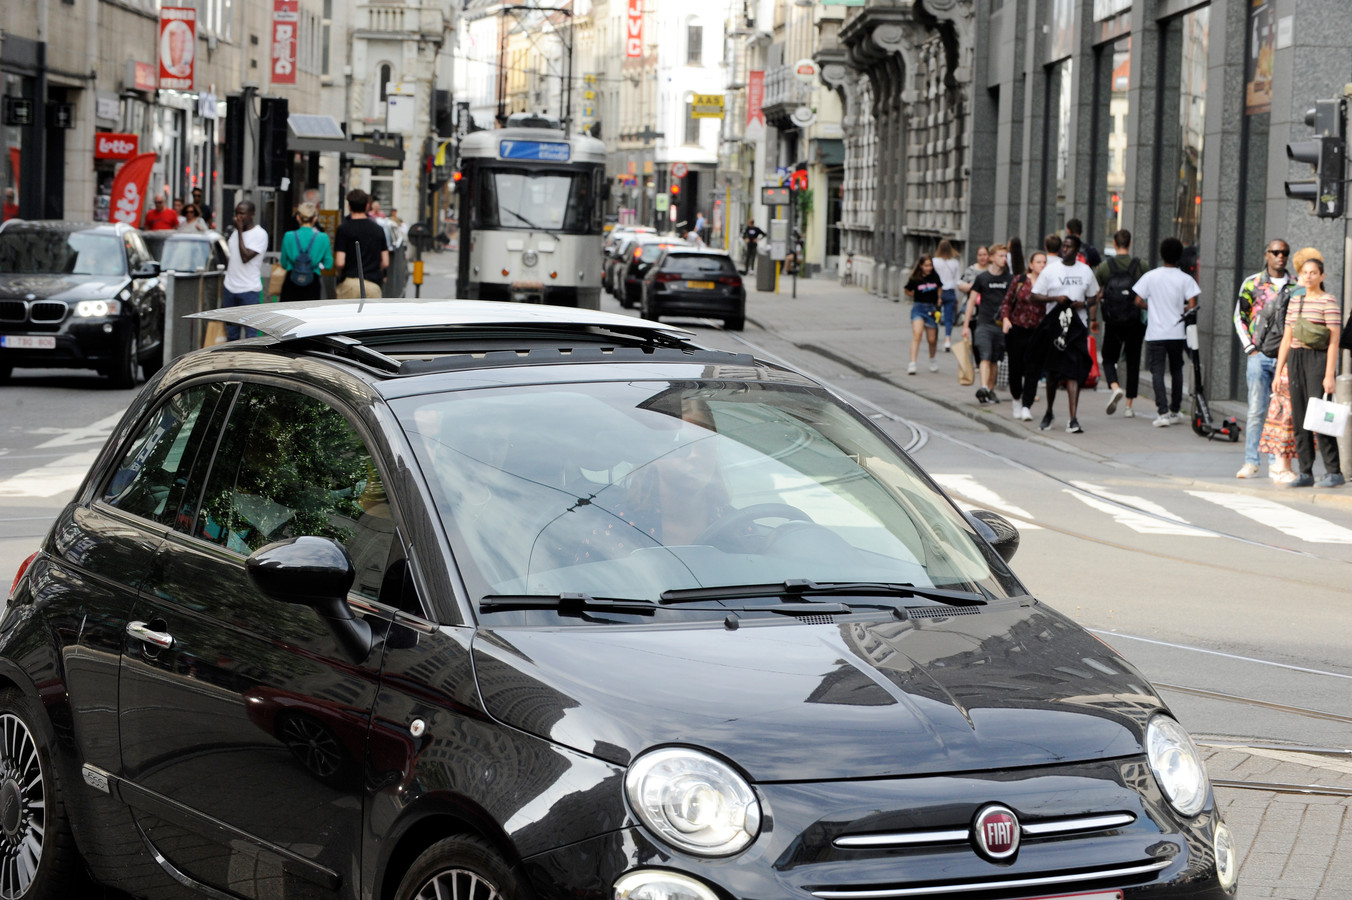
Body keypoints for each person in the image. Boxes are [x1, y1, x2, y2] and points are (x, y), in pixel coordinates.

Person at [1275, 252, 1343, 487]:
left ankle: (1334, 471)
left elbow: (1334, 341)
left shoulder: (1328, 301)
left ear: (1322, 276)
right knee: (1300, 416)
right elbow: (1287, 338)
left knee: (1320, 415)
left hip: (1318, 359)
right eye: (1305, 273)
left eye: (1313, 273)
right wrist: (1279, 371)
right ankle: (1305, 472)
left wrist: (1329, 375)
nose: (1309, 276)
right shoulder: (1296, 301)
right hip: (1296, 358)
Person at [1233, 239, 1294, 478]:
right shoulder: (1253, 283)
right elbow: (1240, 316)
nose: (1280, 256)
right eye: (1276, 252)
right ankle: (1251, 461)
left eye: (1285, 252)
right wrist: (1250, 348)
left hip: (1285, 358)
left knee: (1280, 412)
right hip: (1259, 356)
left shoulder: (1295, 285)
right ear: (1266, 254)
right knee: (1256, 410)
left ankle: (1275, 462)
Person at [1030, 234, 1099, 433]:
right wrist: (1055, 299)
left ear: (1077, 250)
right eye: (1064, 246)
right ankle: (1049, 412)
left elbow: (1094, 297)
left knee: (1073, 371)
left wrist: (1083, 304)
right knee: (1053, 371)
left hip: (1077, 327)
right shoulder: (1051, 270)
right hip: (1055, 326)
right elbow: (1034, 296)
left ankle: (1073, 418)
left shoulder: (1085, 271)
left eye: (1069, 247)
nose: (1065, 250)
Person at [1132, 237, 1200, 428]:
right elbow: (1192, 305)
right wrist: (1180, 308)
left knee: (1157, 371)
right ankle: (1175, 410)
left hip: (1155, 332)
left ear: (1162, 254)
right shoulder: (1185, 279)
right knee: (1176, 370)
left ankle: (1162, 412)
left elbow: (1137, 301)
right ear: (1179, 256)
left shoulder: (1151, 276)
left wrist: (1152, 307)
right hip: (1177, 332)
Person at [1095, 229, 1147, 419]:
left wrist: (1094, 318)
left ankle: (1115, 386)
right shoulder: (1141, 265)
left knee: (1109, 358)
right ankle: (1129, 406)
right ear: (1130, 243)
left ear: (1115, 244)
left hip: (1113, 321)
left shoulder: (1105, 267)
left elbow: (1097, 292)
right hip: (1135, 320)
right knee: (1133, 361)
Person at [1001, 249, 1047, 421]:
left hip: (1038, 332)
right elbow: (1007, 302)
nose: (1042, 265)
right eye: (1039, 262)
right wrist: (1006, 319)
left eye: (1044, 262)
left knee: (1033, 369)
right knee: (1015, 368)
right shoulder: (1020, 280)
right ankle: (1016, 400)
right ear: (1031, 265)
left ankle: (1027, 405)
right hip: (1017, 330)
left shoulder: (1048, 283)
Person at [961, 243, 1010, 404]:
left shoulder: (1009, 278)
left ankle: (990, 390)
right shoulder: (982, 278)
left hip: (1000, 325)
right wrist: (966, 325)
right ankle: (983, 387)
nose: (1004, 259)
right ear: (992, 258)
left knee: (995, 360)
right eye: (1000, 256)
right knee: (985, 356)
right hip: (984, 323)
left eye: (1005, 256)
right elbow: (971, 301)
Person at [222, 201, 268, 341]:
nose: (238, 217)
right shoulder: (235, 233)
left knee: (251, 336)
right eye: (236, 213)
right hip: (230, 288)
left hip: (249, 290)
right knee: (231, 336)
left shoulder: (260, 234)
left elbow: (245, 257)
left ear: (252, 214)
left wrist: (240, 231)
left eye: (242, 213)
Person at [334, 189, 389, 299]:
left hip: (349, 283)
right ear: (367, 206)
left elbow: (340, 262)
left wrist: (340, 275)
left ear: (349, 206)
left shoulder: (343, 229)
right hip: (373, 283)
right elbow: (385, 262)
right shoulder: (378, 229)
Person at [279, 202, 333, 302]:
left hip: (291, 280)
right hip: (313, 282)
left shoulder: (288, 236)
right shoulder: (323, 237)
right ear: (315, 218)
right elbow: (328, 264)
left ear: (298, 218)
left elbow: (283, 263)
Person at [903, 255, 943, 375]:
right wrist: (915, 296)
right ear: (920, 266)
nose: (928, 268)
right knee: (917, 334)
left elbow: (940, 287)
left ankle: (932, 359)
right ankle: (912, 363)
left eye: (930, 265)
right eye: (926, 265)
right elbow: (907, 290)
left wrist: (939, 298)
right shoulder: (915, 278)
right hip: (918, 308)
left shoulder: (935, 276)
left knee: (932, 339)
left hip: (932, 309)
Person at [932, 240, 963, 353]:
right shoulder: (955, 262)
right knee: (949, 318)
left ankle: (934, 339)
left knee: (936, 316)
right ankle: (947, 340)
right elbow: (957, 280)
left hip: (937, 292)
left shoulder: (934, 261)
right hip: (950, 291)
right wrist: (957, 297)